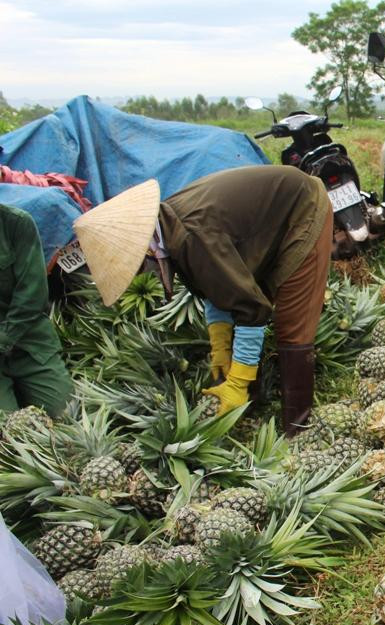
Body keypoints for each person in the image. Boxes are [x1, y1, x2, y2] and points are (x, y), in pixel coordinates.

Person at [72, 165, 334, 436]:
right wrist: (220, 346)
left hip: (303, 207)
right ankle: (251, 407)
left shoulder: (190, 235)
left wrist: (237, 382)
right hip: (267, 224)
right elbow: (215, 287)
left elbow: (252, 309)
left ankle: (299, 430)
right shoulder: (168, 226)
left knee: (292, 324)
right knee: (246, 303)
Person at [0, 205, 73, 418]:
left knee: (67, 417)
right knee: (6, 432)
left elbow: (32, 294)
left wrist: (4, 338)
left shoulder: (16, 223)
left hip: (30, 346)